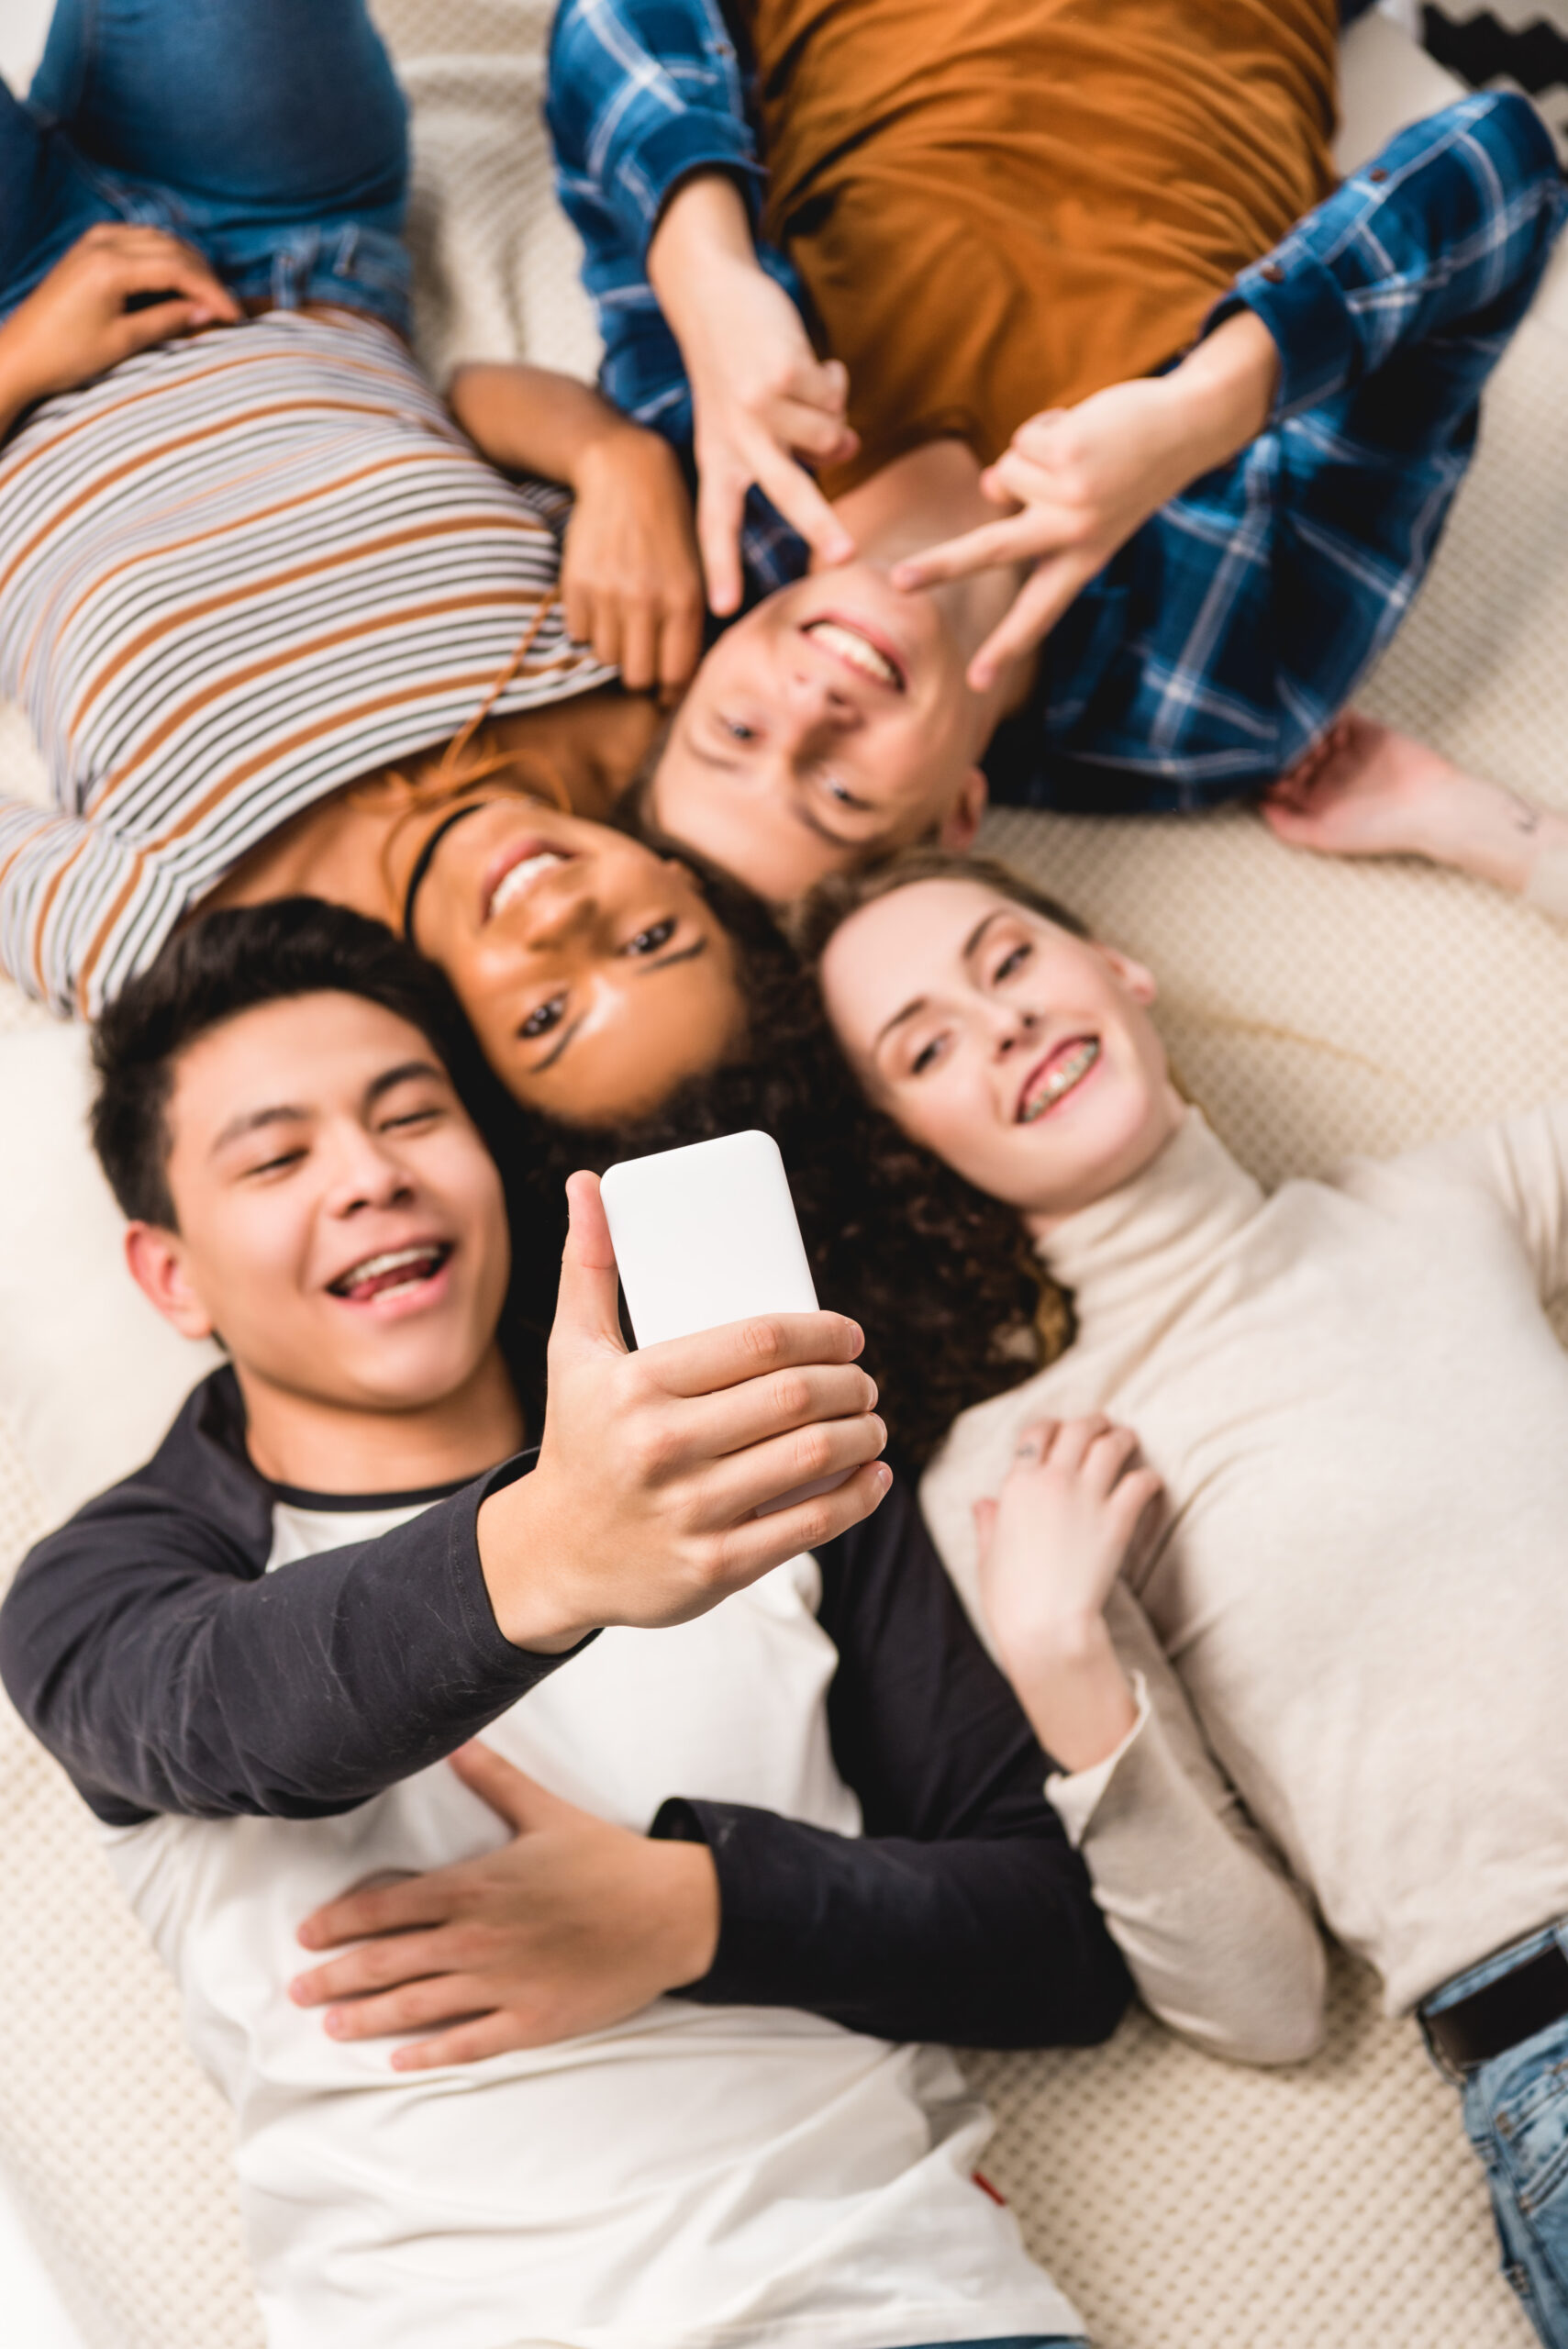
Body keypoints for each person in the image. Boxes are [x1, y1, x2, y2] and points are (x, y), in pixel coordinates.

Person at [0, 892, 1171, 2349]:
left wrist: (698, 1911)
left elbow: (1054, 1946)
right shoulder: (108, 1586)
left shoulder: (766, 1459)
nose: (367, 1177)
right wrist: (548, 1553)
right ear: (171, 1274)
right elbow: (230, 1715)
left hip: (905, 2314)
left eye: (410, 1115)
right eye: (279, 1155)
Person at [792, 845, 1568, 2347]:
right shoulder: (1018, 1478)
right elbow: (1263, 2007)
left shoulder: (1437, 1204)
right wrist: (1054, 1658)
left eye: (1007, 961)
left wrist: (1480, 829)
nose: (999, 1023)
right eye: (927, 1044)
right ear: (914, 1144)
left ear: (1116, 972)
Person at [548, 0, 1567, 909]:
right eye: (840, 793)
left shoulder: (717, 461)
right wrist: (1204, 408)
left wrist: (705, 268)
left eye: (735, 733)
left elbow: (608, 19)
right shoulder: (1216, 678)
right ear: (956, 817)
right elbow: (1503, 167)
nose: (808, 715)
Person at [0, 0, 773, 1128]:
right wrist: (617, 461)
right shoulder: (645, 700)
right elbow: (470, 404)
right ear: (691, 887)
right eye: (651, 939)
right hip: (293, 244)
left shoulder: (184, 949)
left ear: (461, 1057)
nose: (561, 920)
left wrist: (20, 362)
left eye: (543, 1016)